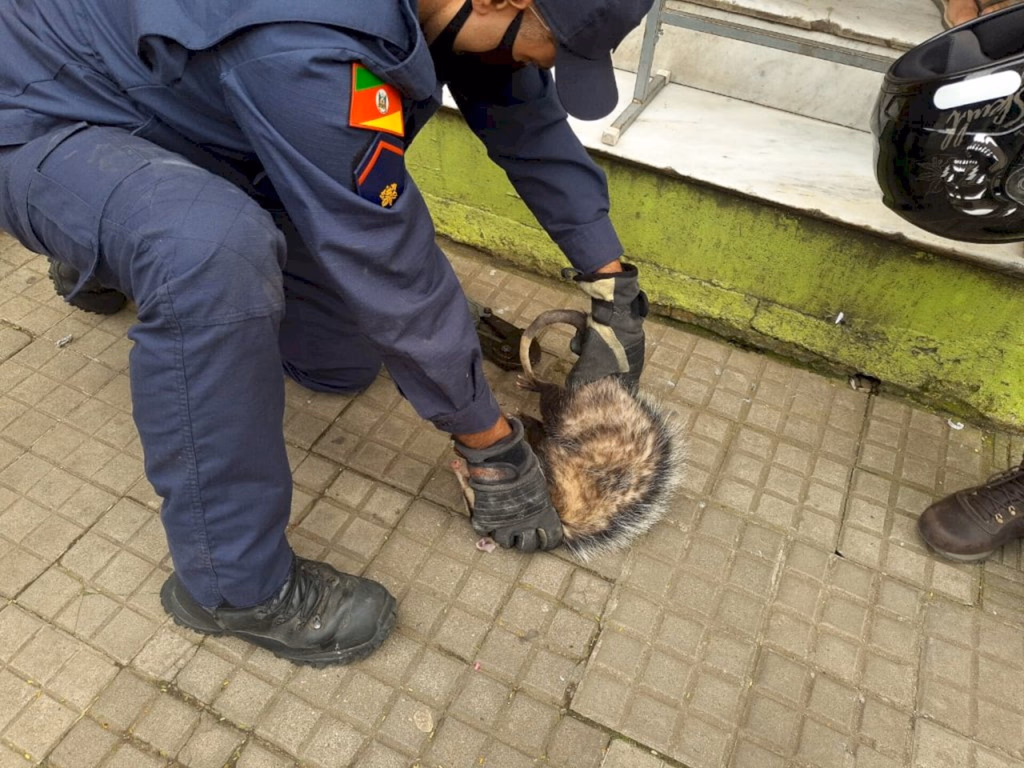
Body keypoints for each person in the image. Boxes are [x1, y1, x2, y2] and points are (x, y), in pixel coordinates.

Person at [0, 0, 654, 666]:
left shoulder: (461, 10)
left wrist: (610, 279)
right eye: (541, 47)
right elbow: (383, 257)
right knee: (210, 250)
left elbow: (516, 109)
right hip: (47, 107)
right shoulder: (301, 43)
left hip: (184, 106)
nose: (536, 64)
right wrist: (490, 444)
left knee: (340, 360)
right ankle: (232, 588)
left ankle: (131, 231)